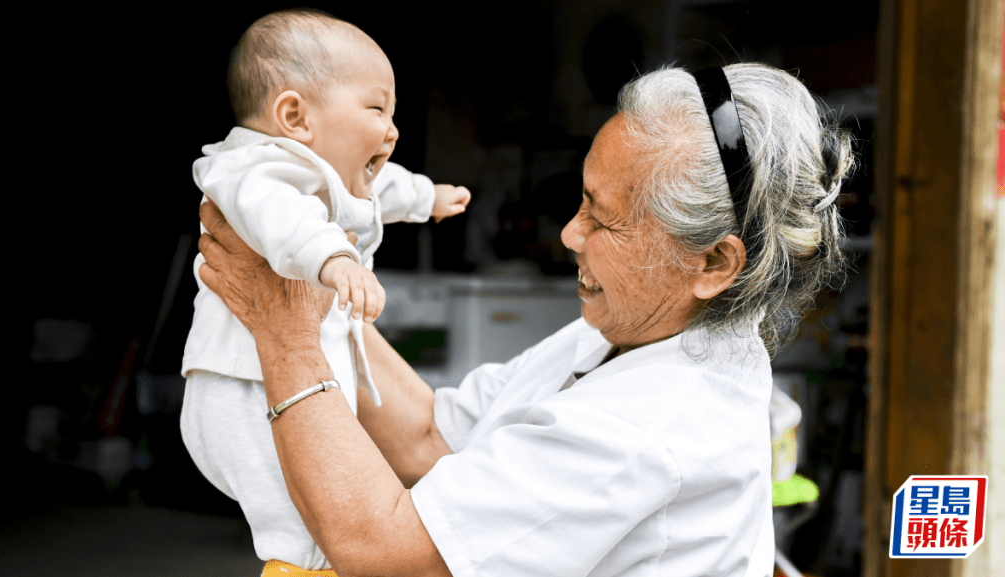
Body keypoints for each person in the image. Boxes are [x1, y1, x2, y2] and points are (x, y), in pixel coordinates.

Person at [197, 62, 852, 577]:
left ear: (712, 262)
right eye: (582, 199)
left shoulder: (649, 424)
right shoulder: (635, 330)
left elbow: (384, 548)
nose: (570, 233)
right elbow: (432, 436)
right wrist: (312, 286)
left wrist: (282, 333)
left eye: (604, 217)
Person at [179, 9, 470, 572]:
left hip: (272, 387)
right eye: (377, 108)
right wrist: (336, 259)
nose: (392, 128)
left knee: (313, 503)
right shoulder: (257, 171)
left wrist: (429, 197)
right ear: (295, 116)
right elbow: (286, 223)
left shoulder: (328, 173)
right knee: (299, 527)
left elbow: (382, 186)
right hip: (241, 391)